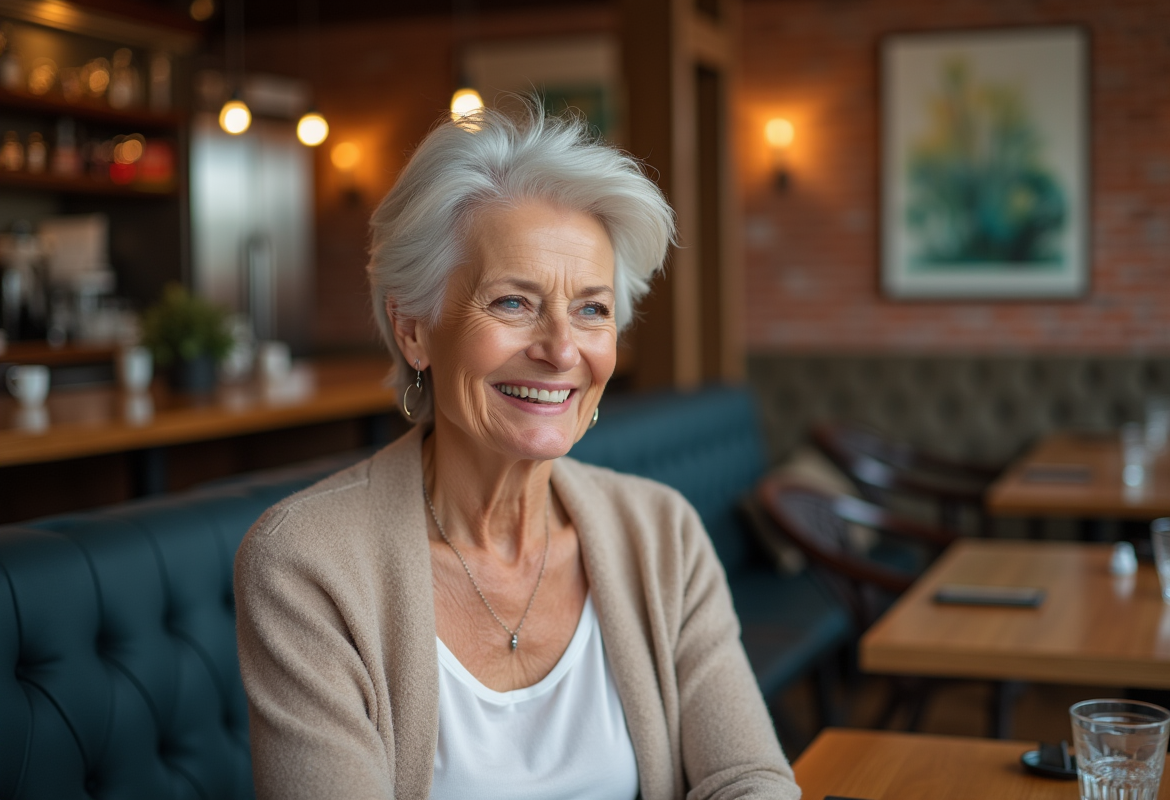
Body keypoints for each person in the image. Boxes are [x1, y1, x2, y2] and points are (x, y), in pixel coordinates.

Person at [234, 102, 800, 800]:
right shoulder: (306, 562)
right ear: (412, 328)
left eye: (592, 309)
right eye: (512, 303)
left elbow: (746, 778)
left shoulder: (662, 533)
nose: (562, 350)